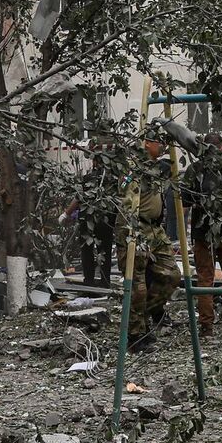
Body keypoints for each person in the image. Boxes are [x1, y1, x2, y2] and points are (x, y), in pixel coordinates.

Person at [121, 129, 183, 352]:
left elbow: (171, 168)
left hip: (155, 231)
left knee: (172, 275)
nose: (163, 146)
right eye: (158, 142)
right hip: (135, 228)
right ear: (146, 144)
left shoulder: (156, 168)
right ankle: (136, 336)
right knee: (138, 286)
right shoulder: (134, 168)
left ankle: (143, 318)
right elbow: (124, 197)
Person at [183, 132, 222, 336]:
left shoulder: (195, 169)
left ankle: (206, 327)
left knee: (205, 280)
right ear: (221, 146)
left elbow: (185, 199)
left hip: (204, 235)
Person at [70, 154, 116, 288]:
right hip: (106, 220)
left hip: (88, 221)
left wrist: (66, 213)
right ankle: (105, 280)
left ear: (95, 162)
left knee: (87, 251)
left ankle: (89, 279)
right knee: (104, 250)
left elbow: (78, 198)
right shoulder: (113, 180)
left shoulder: (88, 178)